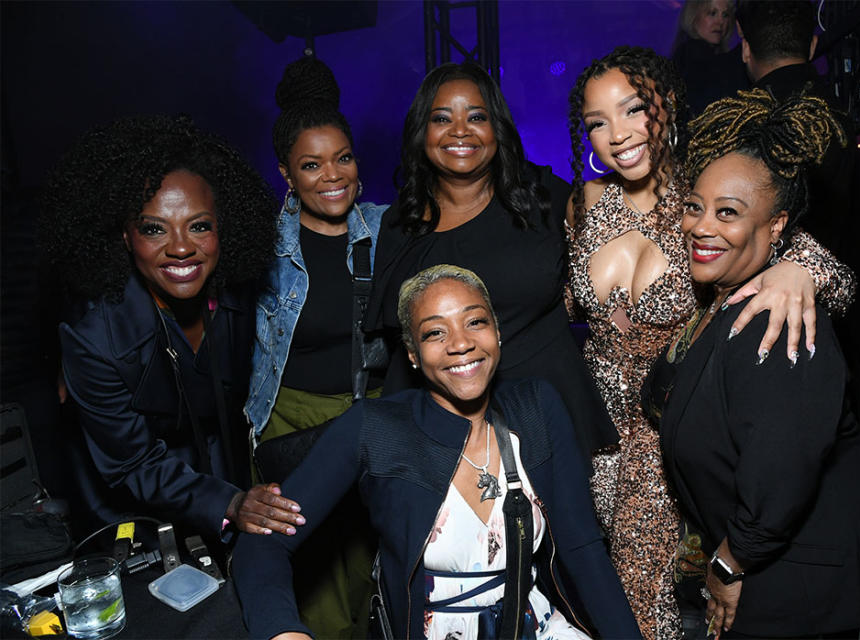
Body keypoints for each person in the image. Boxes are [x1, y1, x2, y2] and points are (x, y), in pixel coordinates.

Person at [565, 46, 856, 639]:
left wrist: (798, 272)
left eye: (632, 110)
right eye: (598, 123)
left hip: (666, 435)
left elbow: (839, 281)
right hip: (592, 436)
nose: (617, 136)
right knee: (592, 594)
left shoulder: (707, 196)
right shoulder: (587, 203)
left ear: (667, 105)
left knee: (642, 603)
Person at [644, 89, 860, 637]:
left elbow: (781, 473)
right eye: (695, 206)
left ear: (776, 226)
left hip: (808, 582)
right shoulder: (725, 297)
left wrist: (729, 563)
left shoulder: (781, 320)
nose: (701, 226)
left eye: (728, 212)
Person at [232, 264, 643, 640]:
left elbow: (582, 548)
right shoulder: (374, 428)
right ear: (412, 354)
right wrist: (282, 631)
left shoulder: (536, 406)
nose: (461, 344)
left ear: (496, 332)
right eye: (435, 332)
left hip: (539, 626)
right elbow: (263, 543)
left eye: (475, 322)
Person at [42, 115, 303, 544]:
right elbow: (131, 463)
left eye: (199, 225)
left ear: (224, 227)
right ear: (125, 237)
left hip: (228, 477)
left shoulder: (241, 295)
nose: (181, 247)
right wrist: (227, 504)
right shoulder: (93, 338)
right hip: (133, 512)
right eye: (153, 229)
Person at [365, 62, 618, 462]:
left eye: (477, 117)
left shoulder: (542, 198)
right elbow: (400, 346)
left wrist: (755, 273)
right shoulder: (401, 223)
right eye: (442, 118)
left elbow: (642, 212)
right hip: (446, 437)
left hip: (548, 418)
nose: (461, 130)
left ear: (496, 127)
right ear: (422, 132)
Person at [243, 57, 388, 638]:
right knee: (315, 576)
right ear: (286, 173)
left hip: (371, 415)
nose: (332, 175)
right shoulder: (262, 244)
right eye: (311, 164)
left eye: (343, 158)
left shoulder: (385, 228)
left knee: (371, 564)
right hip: (293, 421)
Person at [736, 0, 855, 255]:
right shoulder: (838, 113)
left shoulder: (737, 120)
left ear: (746, 49)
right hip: (829, 270)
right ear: (812, 46)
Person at [671, 0, 749, 115]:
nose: (720, 22)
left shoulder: (718, 57)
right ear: (693, 16)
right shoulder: (691, 57)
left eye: (725, 15)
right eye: (712, 13)